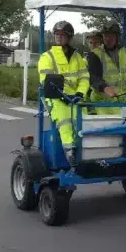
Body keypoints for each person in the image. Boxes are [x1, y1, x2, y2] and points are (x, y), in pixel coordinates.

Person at [37, 20, 90, 161]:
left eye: (63, 34)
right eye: (57, 34)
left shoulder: (77, 57)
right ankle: (70, 153)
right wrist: (61, 95)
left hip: (75, 97)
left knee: (83, 121)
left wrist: (80, 93)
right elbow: (45, 80)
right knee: (65, 120)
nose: (59, 37)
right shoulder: (47, 57)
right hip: (55, 97)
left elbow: (84, 77)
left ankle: (88, 152)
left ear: (69, 37)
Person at [86, 21, 126, 115]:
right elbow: (93, 77)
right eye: (106, 36)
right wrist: (104, 88)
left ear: (117, 37)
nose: (108, 39)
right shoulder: (95, 54)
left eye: (111, 36)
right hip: (105, 102)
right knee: (111, 128)